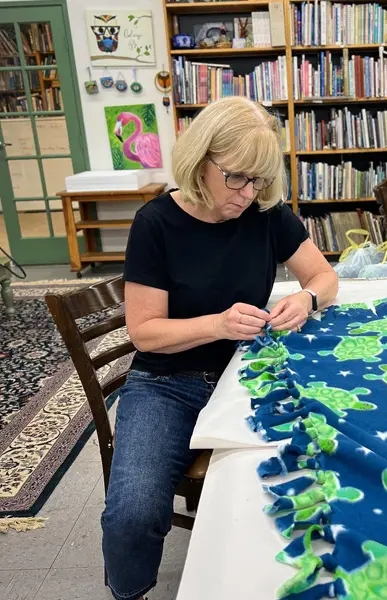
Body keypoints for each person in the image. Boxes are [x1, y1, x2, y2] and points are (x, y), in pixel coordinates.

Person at [101, 96, 339, 600]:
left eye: (258, 180)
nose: (246, 193)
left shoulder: (265, 213)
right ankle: (128, 592)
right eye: (235, 177)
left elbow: (323, 275)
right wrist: (218, 324)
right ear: (199, 160)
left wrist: (306, 296)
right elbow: (144, 332)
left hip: (248, 374)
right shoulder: (155, 224)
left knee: (306, 478)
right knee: (134, 512)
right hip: (166, 384)